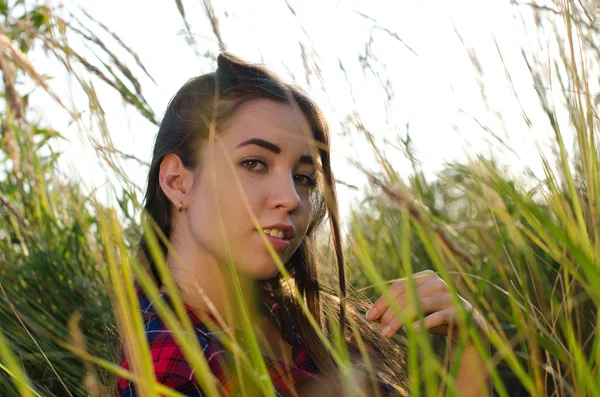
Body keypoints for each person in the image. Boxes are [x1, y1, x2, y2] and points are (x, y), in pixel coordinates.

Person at [117, 53, 490, 396]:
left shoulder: (307, 323)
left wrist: (471, 348)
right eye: (254, 163)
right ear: (177, 182)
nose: (292, 198)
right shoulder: (170, 365)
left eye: (304, 177)